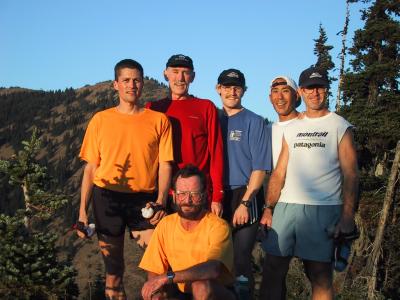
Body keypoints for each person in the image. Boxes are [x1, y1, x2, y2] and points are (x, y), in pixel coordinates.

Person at [259, 66, 359, 299]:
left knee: (319, 274)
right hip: (285, 207)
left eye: (320, 88)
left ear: (326, 90)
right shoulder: (292, 127)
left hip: (323, 209)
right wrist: (268, 208)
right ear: (301, 92)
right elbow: (279, 172)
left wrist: (346, 217)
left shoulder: (339, 125)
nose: (315, 93)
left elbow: (351, 173)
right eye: (309, 89)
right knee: (273, 269)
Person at [77, 59, 174, 299]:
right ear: (115, 85)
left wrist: (161, 200)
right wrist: (82, 212)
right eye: (126, 80)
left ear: (143, 84)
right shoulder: (100, 120)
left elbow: (165, 164)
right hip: (107, 198)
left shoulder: (159, 120)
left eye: (137, 80)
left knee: (159, 268)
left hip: (146, 202)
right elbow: (90, 169)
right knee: (114, 272)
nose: (132, 85)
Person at [139, 165, 236, 300]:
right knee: (155, 291)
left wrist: (168, 277)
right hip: (180, 290)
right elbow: (154, 270)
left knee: (200, 286)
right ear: (174, 196)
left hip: (216, 291)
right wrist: (155, 289)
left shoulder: (218, 226)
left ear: (204, 196)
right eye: (182, 194)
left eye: (194, 194)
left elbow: (213, 269)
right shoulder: (166, 225)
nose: (187, 201)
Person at [147, 54, 224, 216]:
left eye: (185, 72)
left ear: (193, 77)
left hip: (197, 194)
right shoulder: (153, 108)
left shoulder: (206, 107)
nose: (180, 78)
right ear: (165, 74)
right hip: (163, 195)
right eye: (175, 71)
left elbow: (216, 153)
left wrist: (217, 196)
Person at [216, 68, 272, 293]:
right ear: (218, 89)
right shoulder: (213, 118)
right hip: (217, 196)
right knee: (217, 262)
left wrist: (246, 202)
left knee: (240, 261)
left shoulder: (254, 121)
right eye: (227, 87)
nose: (232, 92)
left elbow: (260, 168)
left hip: (246, 194)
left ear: (244, 90)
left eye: (236, 87)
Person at [268, 75, 301, 168]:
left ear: (296, 95)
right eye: (275, 91)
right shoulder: (266, 131)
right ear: (270, 98)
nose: (280, 97)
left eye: (285, 91)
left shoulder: (309, 125)